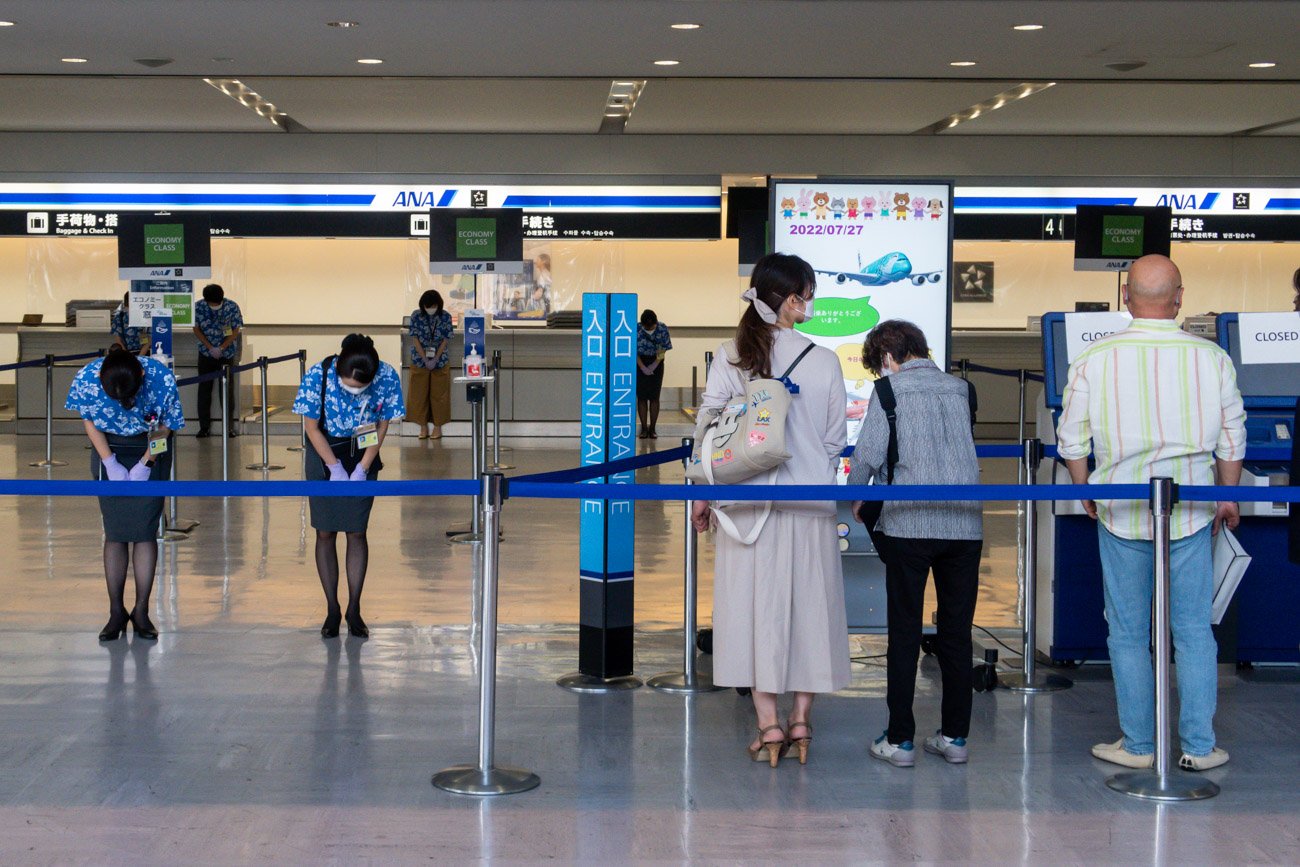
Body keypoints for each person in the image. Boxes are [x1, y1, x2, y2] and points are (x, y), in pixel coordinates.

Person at [1057, 254, 1245, 772]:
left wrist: (1083, 488)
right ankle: (1200, 746)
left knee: (1127, 631)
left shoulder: (1096, 359)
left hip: (1121, 507)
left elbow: (1072, 437)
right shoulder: (1213, 359)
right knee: (1192, 631)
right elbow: (1232, 437)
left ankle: (1139, 745)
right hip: (1191, 510)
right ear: (1179, 298)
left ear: (1125, 298)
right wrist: (1226, 496)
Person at [691, 252, 849, 767]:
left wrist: (704, 497)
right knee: (810, 610)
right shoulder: (824, 361)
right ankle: (802, 721)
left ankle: (769, 726)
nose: (811, 302)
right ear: (788, 299)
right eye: (807, 292)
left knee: (751, 616)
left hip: (745, 509)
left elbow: (708, 437)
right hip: (810, 506)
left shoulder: (731, 355)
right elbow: (832, 444)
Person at [847, 320, 982, 768]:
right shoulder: (962, 390)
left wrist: (857, 494)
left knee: (905, 632)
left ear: (887, 358)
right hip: (964, 527)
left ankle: (901, 740)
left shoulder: (889, 392)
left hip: (908, 525)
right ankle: (955, 738)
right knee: (956, 635)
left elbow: (866, 456)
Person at [65, 347, 185, 641]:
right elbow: (89, 421)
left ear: (141, 375)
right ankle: (116, 612)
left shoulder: (161, 378)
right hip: (109, 447)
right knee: (116, 531)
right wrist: (109, 462)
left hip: (150, 445)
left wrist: (147, 462)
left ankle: (142, 611)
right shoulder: (87, 377)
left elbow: (166, 425)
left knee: (145, 532)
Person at [293, 334, 405, 638]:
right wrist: (333, 467)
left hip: (362, 454)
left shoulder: (386, 376)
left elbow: (383, 423)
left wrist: (363, 468)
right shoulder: (318, 375)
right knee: (325, 531)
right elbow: (311, 427)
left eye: (360, 388)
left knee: (357, 531)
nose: (354, 392)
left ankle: (354, 608)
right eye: (348, 386)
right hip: (324, 452)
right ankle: (332, 608)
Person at [192, 283, 243, 438]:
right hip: (205, 354)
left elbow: (236, 330)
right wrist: (209, 347)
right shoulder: (198, 307)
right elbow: (196, 329)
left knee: (227, 392)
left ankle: (229, 428)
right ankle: (204, 427)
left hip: (226, 354)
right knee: (204, 391)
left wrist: (221, 347)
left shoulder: (232, 307)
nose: (214, 305)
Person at [406, 290, 454, 439]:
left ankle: (437, 428)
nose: (430, 309)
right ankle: (422, 427)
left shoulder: (445, 317)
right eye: (427, 306)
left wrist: (435, 359)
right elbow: (414, 339)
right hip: (419, 361)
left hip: (440, 361)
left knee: (440, 395)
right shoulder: (416, 316)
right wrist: (425, 359)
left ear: (438, 305)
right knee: (418, 395)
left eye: (432, 306)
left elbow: (446, 340)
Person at [636, 309, 672, 439]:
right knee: (641, 397)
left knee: (654, 396)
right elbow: (633, 351)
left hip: (657, 361)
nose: (650, 328)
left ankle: (652, 429)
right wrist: (642, 367)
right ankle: (644, 429)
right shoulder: (637, 329)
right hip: (640, 362)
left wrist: (654, 365)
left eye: (652, 326)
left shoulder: (662, 328)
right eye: (647, 326)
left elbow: (663, 349)